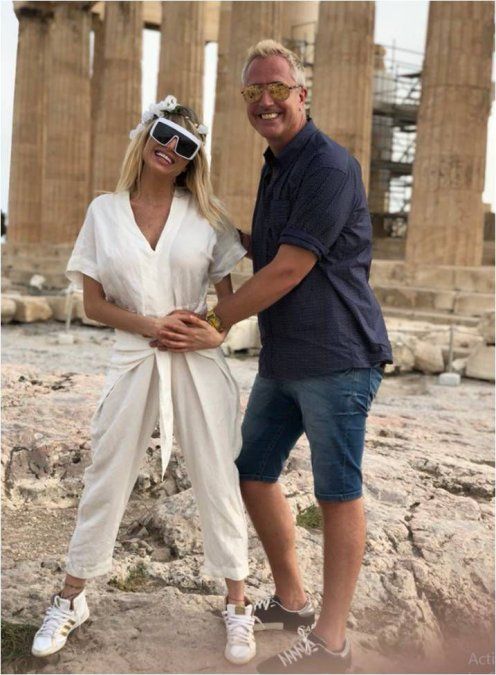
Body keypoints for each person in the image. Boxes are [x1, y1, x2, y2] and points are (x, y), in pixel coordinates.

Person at [156, 42, 393, 674]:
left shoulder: (329, 166)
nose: (265, 100)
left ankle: (332, 643)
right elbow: (266, 246)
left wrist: (214, 322)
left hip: (338, 356)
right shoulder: (276, 163)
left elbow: (289, 266)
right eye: (253, 91)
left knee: (337, 492)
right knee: (253, 472)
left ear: (301, 94)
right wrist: (197, 227)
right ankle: (292, 602)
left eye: (278, 88)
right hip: (285, 357)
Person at [31, 96, 256, 666]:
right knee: (106, 474)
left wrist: (212, 334)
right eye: (163, 135)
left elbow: (227, 305)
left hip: (197, 363)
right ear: (145, 137)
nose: (171, 149)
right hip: (133, 357)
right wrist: (151, 325)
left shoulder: (208, 216)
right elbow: (93, 304)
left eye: (186, 145)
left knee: (218, 475)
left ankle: (238, 602)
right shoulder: (103, 212)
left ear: (193, 158)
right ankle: (71, 597)